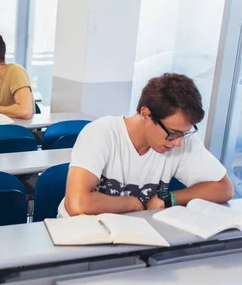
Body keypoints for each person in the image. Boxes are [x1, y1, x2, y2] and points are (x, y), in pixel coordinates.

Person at [60, 73, 234, 217]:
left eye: (184, 133)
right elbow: (77, 204)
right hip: (81, 239)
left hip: (137, 239)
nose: (178, 142)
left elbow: (224, 188)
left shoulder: (181, 140)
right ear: (146, 114)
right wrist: (133, 203)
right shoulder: (101, 133)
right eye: (172, 133)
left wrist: (169, 198)